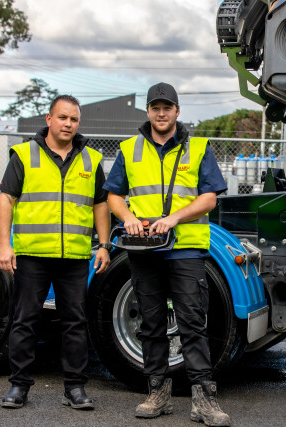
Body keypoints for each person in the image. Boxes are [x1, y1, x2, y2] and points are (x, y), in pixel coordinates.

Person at [104, 82, 230, 426]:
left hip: (185, 248)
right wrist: (128, 218)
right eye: (155, 108)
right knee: (151, 323)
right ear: (148, 111)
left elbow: (209, 198)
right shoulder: (129, 149)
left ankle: (204, 399)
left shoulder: (198, 148)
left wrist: (174, 218)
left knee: (192, 322)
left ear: (177, 111)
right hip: (145, 249)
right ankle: (157, 393)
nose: (161, 114)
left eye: (167, 108)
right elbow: (113, 195)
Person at [0, 95, 110, 410]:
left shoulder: (91, 159)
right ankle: (18, 386)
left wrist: (103, 245)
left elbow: (100, 205)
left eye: (73, 119)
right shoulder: (24, 154)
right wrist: (5, 245)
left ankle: (74, 388)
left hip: (74, 257)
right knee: (25, 320)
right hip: (32, 255)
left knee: (75, 322)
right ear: (49, 119)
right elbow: (6, 200)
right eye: (62, 117)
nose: (68, 124)